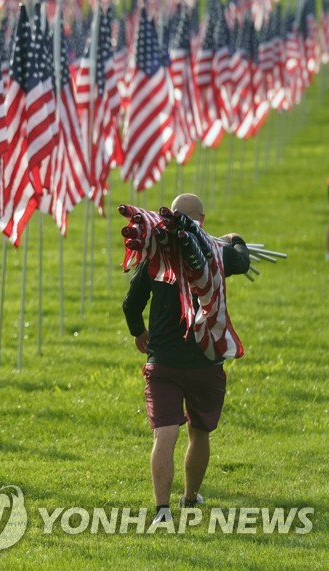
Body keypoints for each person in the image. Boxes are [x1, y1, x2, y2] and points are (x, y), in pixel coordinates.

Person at [122, 193, 250, 525]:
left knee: (164, 434)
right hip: (205, 361)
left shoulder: (154, 255)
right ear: (202, 221)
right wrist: (235, 239)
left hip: (162, 360)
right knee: (199, 432)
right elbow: (242, 260)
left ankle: (162, 511)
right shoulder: (217, 252)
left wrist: (139, 332)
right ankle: (190, 497)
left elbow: (131, 304)